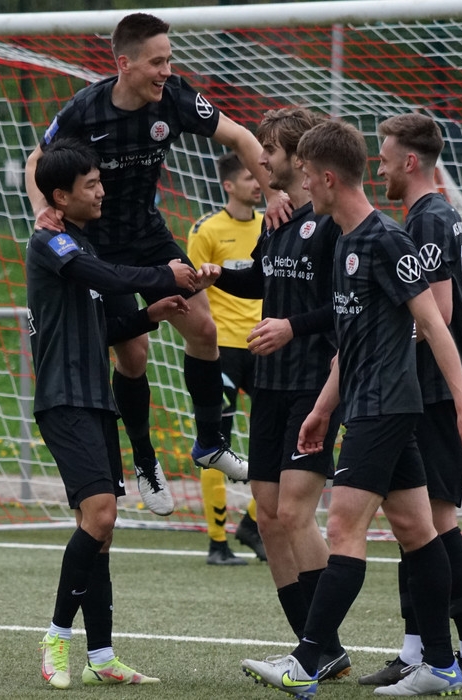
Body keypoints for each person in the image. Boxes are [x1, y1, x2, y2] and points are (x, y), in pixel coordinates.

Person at [240, 119, 462, 698]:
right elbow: (349, 345)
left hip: (386, 408)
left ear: (327, 178)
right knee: (417, 530)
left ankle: (307, 662)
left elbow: (434, 325)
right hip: (365, 405)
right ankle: (442, 664)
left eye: (307, 175)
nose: (301, 187)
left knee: (343, 527)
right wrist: (323, 408)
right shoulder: (346, 243)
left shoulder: (387, 240)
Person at [24, 12, 291, 517]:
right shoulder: (84, 109)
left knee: (204, 330)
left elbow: (241, 138)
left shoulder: (176, 98)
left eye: (170, 60)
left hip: (148, 235)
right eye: (157, 62)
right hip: (98, 246)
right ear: (124, 64)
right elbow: (36, 162)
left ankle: (209, 443)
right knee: (134, 354)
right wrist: (43, 210)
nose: (167, 71)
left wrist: (275, 193)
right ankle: (145, 460)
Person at [26, 140, 198, 689]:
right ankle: (56, 635)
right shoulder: (51, 241)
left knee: (100, 532)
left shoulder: (81, 241)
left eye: (101, 181)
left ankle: (100, 657)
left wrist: (153, 314)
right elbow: (110, 278)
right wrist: (165, 275)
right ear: (61, 196)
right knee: (99, 517)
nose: (102, 191)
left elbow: (104, 328)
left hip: (96, 399)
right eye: (92, 184)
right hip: (64, 398)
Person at [205, 107, 349, 680]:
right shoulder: (278, 218)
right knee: (267, 518)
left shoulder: (332, 222)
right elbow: (262, 280)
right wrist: (215, 274)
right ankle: (315, 647)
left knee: (294, 513)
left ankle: (317, 649)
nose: (260, 158)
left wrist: (293, 327)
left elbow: (344, 306)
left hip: (312, 386)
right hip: (268, 384)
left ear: (298, 155)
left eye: (269, 149)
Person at [360, 113, 462, 688]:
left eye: (385, 158)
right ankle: (419, 650)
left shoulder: (430, 219)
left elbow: (436, 313)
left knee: (435, 523)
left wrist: (383, 339)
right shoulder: (432, 215)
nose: (380, 169)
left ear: (410, 161)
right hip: (427, 389)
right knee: (414, 523)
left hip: (436, 392)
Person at [187, 151, 267, 566]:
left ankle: (252, 523)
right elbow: (192, 290)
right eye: (249, 177)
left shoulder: (272, 224)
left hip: (265, 345)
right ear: (229, 185)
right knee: (215, 443)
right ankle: (217, 543)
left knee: (284, 438)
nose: (258, 184)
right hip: (223, 353)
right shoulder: (205, 230)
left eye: (259, 177)